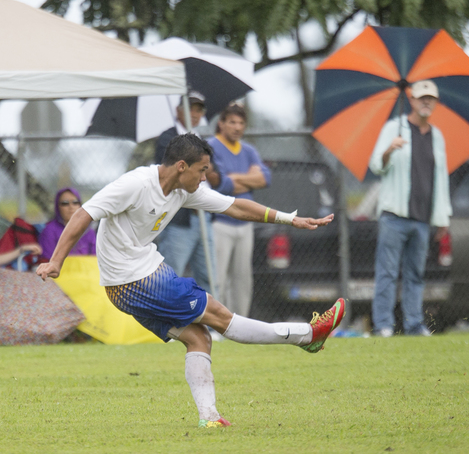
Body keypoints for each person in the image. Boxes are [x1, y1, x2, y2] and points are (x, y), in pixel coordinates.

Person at [36, 133, 344, 429]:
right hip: (136, 281)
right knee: (222, 317)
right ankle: (308, 335)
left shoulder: (185, 189)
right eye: (202, 170)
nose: (205, 177)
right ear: (182, 166)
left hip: (135, 280)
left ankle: (209, 416)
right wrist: (56, 262)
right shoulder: (135, 184)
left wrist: (290, 219)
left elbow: (234, 205)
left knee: (199, 338)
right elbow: (83, 215)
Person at [368, 79, 452, 337]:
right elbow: (376, 165)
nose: (426, 102)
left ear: (435, 103)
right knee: (388, 273)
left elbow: (441, 179)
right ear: (412, 100)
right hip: (394, 216)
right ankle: (383, 325)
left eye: (431, 98)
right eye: (421, 97)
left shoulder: (437, 135)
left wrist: (442, 217)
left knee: (416, 275)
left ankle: (414, 324)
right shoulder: (394, 128)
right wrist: (389, 150)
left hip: (423, 218)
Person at [208, 103, 271, 317]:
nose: (237, 127)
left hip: (246, 224)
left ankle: (241, 324)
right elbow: (222, 185)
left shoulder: (249, 150)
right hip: (221, 222)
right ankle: (217, 324)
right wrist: (250, 179)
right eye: (232, 122)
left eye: (241, 123)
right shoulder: (211, 147)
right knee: (218, 278)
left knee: (243, 278)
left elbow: (266, 179)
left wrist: (237, 178)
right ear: (221, 123)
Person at [154, 91, 220, 295]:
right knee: (170, 276)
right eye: (190, 107)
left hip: (203, 217)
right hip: (178, 220)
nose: (194, 113)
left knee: (209, 276)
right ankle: (166, 324)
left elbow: (218, 177)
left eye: (199, 109)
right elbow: (175, 171)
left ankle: (211, 326)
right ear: (178, 110)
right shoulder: (167, 137)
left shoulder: (202, 140)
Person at [39, 187, 96, 262]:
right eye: (65, 203)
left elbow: (95, 258)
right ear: (57, 206)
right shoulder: (50, 230)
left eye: (75, 202)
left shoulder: (88, 231)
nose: (71, 206)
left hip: (86, 271)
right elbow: (46, 260)